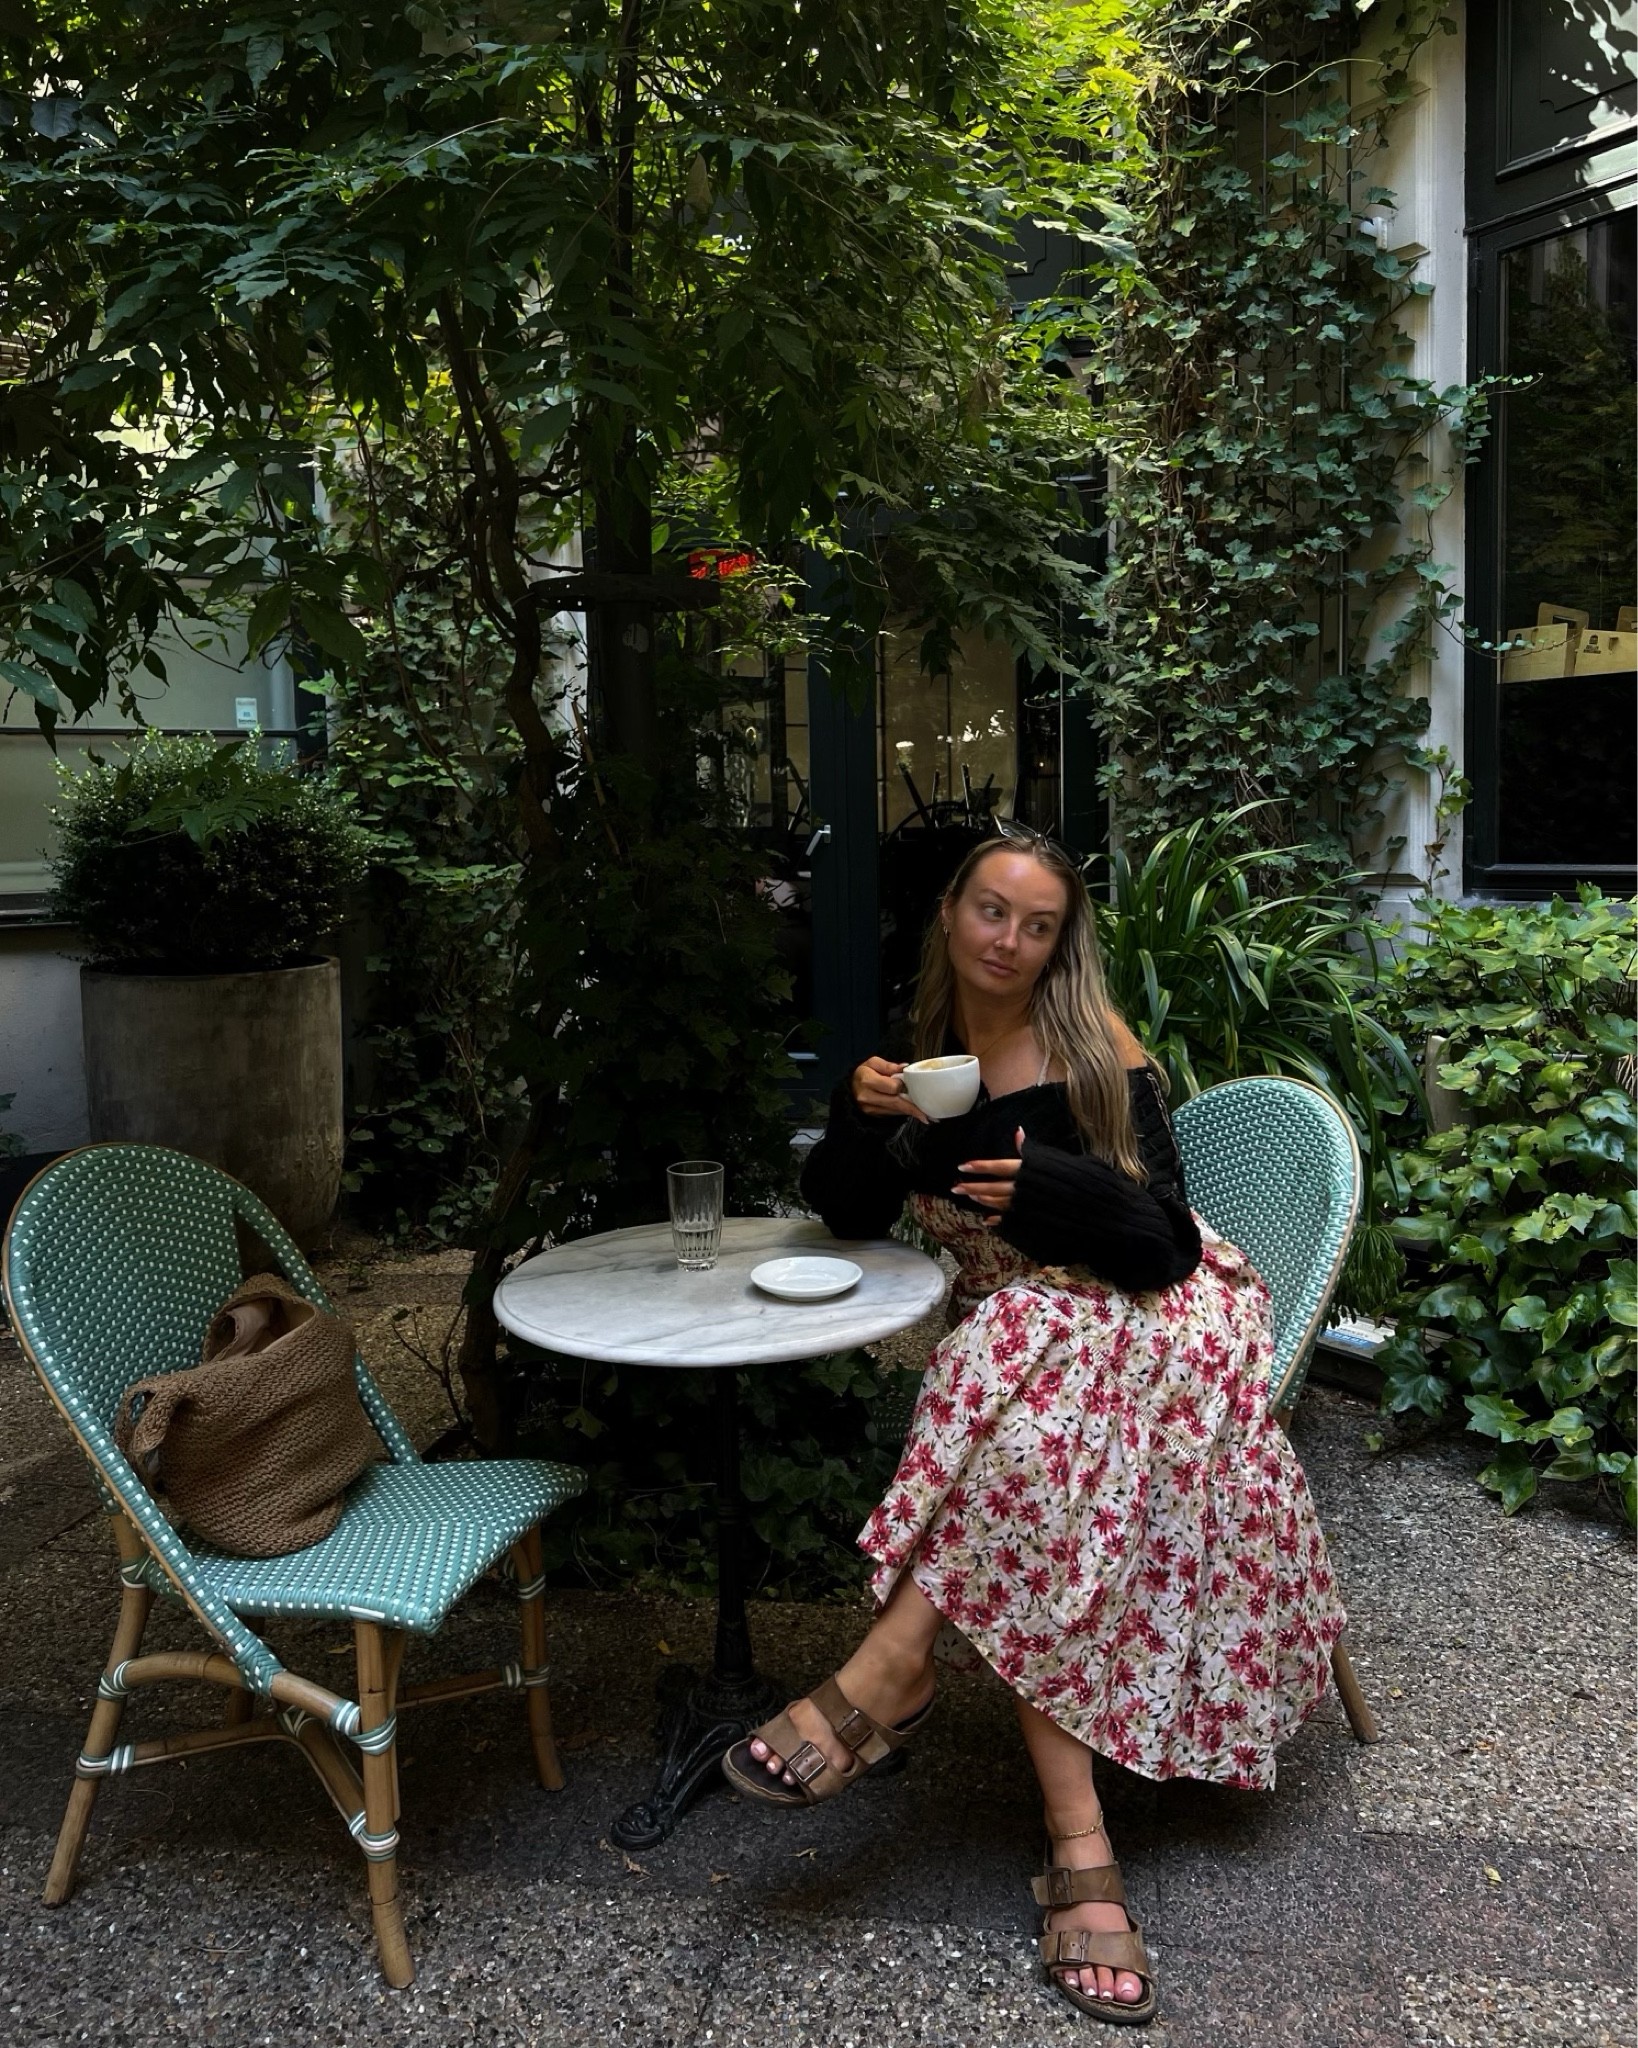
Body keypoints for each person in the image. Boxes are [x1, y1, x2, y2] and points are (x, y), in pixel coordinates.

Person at [721, 826, 1347, 2027]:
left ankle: (892, 1675)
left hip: (1165, 1318)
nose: (1008, 940)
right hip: (1035, 1353)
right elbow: (845, 1216)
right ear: (952, 913)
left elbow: (1166, 1241)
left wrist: (1060, 1191)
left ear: (1062, 943)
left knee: (1020, 1366)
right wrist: (862, 1120)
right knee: (1028, 1409)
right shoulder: (921, 1061)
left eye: (1038, 922)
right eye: (991, 911)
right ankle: (1071, 1840)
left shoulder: (1094, 1047)